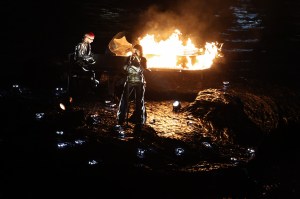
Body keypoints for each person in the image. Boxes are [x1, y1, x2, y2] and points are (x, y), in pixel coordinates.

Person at [116, 44, 147, 129]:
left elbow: (143, 69)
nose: (135, 52)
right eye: (134, 50)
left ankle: (140, 120)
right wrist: (130, 65)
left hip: (139, 81)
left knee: (139, 101)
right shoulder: (129, 58)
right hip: (129, 80)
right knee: (124, 100)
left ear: (140, 51)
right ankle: (120, 119)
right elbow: (124, 68)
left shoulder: (143, 59)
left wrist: (137, 62)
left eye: (137, 50)